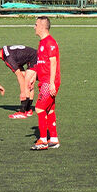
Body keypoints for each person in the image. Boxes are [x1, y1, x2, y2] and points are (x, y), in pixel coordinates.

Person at [0, 43, 37, 119]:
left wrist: (23, 93)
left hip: (35, 58)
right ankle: (28, 110)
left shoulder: (8, 58)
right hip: (30, 57)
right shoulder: (5, 52)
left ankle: (22, 112)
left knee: (26, 83)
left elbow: (19, 75)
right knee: (28, 82)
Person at [31, 16, 60, 150]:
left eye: (36, 24)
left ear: (42, 26)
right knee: (49, 109)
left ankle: (43, 140)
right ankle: (53, 139)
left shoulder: (50, 42)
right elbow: (43, 63)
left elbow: (53, 63)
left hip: (49, 82)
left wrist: (52, 83)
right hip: (44, 81)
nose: (34, 27)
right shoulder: (42, 42)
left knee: (39, 108)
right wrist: (34, 78)